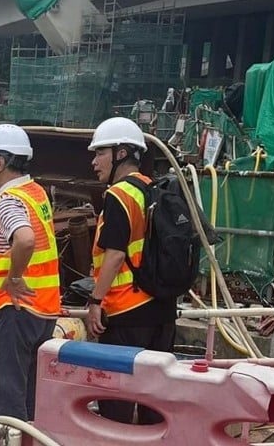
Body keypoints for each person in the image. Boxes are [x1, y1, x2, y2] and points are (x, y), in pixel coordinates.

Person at [85, 117, 175, 425]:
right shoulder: (154, 190)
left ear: (121, 153)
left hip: (127, 312)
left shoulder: (119, 195)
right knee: (154, 405)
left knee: (116, 406)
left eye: (100, 153)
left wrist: (96, 302)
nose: (94, 161)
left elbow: (114, 254)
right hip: (163, 311)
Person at [0, 124, 60, 422]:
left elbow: (25, 239)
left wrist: (14, 277)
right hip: (43, 312)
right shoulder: (36, 193)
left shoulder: (9, 201)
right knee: (30, 400)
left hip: (14, 313)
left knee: (5, 403)